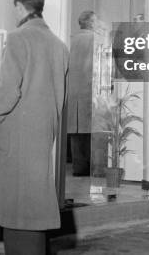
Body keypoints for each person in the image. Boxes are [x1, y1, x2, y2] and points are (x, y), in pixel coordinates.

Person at [0, 0, 68, 255]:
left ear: (19, 6)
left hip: (15, 133)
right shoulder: (59, 45)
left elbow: (7, 89)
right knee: (33, 207)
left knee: (15, 209)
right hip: (42, 134)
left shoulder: (18, 38)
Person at [67, 10, 96, 176]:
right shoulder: (95, 39)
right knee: (90, 132)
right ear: (91, 23)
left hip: (73, 89)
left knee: (75, 132)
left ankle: (78, 168)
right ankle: (91, 168)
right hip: (88, 88)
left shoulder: (72, 39)